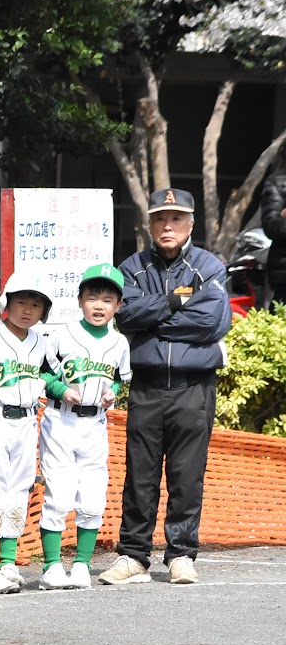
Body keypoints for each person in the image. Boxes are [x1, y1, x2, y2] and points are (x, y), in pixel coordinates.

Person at [100, 188, 231, 585]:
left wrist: (154, 319)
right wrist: (177, 301)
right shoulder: (132, 267)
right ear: (150, 224)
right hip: (148, 385)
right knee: (139, 474)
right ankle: (133, 555)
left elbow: (212, 322)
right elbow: (126, 317)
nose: (167, 225)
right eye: (160, 218)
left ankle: (181, 555)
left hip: (194, 386)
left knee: (187, 475)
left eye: (176, 218)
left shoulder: (209, 266)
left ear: (191, 223)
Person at [37, 264, 131, 590]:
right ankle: (51, 566)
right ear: (79, 300)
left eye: (108, 299)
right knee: (59, 494)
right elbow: (42, 373)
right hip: (60, 420)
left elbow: (119, 378)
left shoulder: (119, 343)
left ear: (118, 305)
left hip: (96, 423)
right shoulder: (62, 335)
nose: (99, 306)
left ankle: (81, 564)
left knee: (92, 495)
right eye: (92, 298)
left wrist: (113, 392)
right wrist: (61, 389)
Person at [0, 271, 52, 596]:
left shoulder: (41, 341)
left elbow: (51, 375)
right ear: (7, 302)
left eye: (36, 304)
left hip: (27, 421)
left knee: (19, 490)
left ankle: (7, 561)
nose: (27, 310)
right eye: (21, 302)